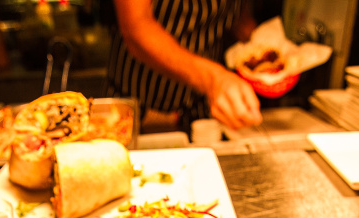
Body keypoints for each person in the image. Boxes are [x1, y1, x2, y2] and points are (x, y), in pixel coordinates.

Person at [106, 0, 263, 133]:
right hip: (141, 107)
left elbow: (239, 15)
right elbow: (136, 26)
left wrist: (259, 47)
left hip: (204, 112)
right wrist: (215, 79)